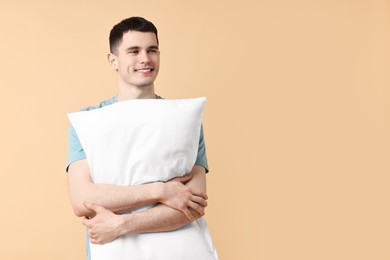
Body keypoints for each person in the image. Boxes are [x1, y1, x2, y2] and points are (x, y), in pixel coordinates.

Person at [66, 17, 213, 259]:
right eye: (134, 51)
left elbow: (193, 204)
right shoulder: (88, 121)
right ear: (113, 60)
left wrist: (121, 225)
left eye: (152, 50)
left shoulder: (185, 119)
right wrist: (161, 191)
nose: (145, 59)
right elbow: (83, 199)